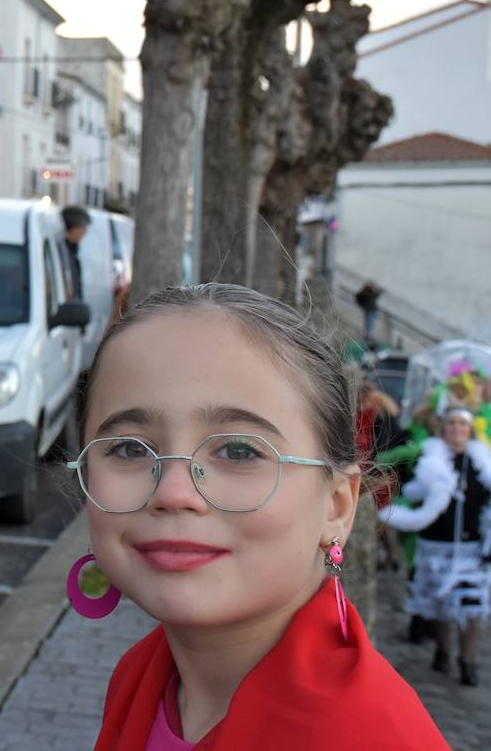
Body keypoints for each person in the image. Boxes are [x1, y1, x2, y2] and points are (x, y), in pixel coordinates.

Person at [66, 284, 445, 749]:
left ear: (337, 505)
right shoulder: (141, 676)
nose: (173, 492)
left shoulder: (370, 737)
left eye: (240, 450)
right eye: (128, 447)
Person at [382, 406, 491, 686]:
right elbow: (405, 488)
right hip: (435, 547)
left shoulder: (482, 465)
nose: (457, 429)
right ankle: (443, 649)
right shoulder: (428, 460)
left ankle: (467, 661)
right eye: (452, 424)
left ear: (470, 430)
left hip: (470, 550)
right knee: (440, 606)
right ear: (443, 429)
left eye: (462, 425)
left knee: (472, 609)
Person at [61, 205, 90, 300]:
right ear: (73, 227)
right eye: (84, 227)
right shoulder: (63, 254)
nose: (85, 232)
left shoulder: (71, 251)